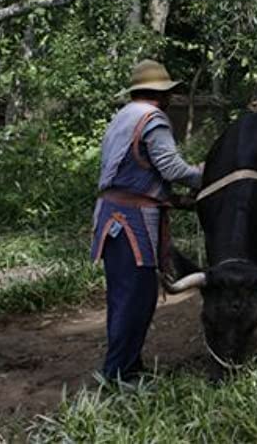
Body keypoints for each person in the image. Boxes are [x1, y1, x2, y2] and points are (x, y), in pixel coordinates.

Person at [90, 60, 203, 383]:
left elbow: (136, 174)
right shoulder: (153, 119)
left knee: (123, 296)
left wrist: (172, 199)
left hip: (111, 216)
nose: (169, 99)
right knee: (137, 299)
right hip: (132, 221)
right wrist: (206, 176)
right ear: (159, 94)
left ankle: (128, 365)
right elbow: (172, 168)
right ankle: (119, 374)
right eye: (167, 93)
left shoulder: (122, 117)